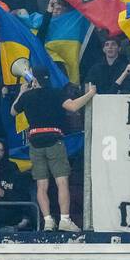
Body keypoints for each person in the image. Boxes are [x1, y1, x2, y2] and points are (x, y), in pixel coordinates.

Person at [11, 74, 96, 231]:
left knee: (41, 185)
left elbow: (13, 111)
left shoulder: (27, 96)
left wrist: (22, 92)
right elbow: (73, 106)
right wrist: (90, 94)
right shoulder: (56, 93)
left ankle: (48, 220)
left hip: (35, 141)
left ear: (34, 80)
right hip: (54, 139)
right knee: (61, 182)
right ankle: (65, 220)